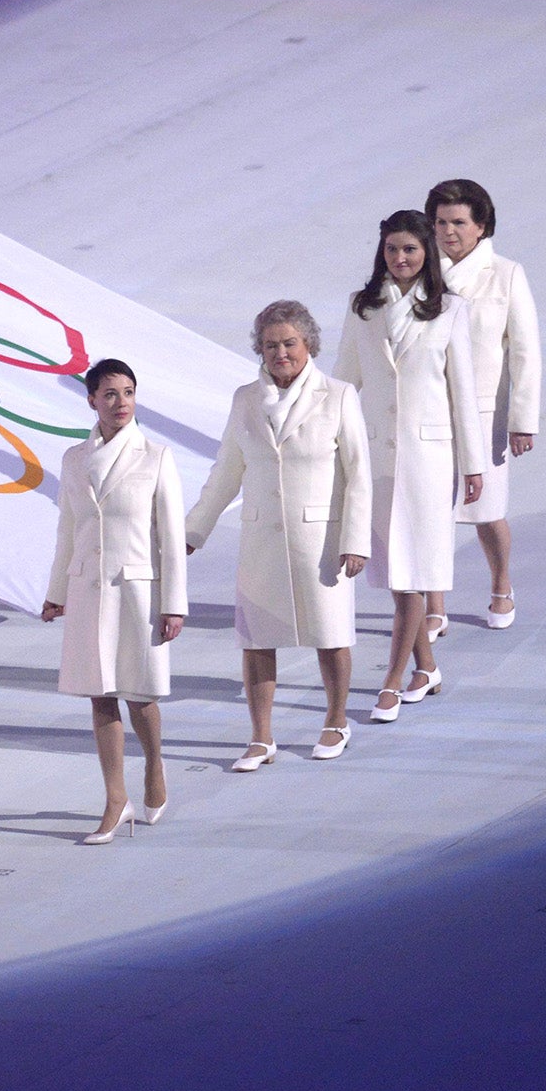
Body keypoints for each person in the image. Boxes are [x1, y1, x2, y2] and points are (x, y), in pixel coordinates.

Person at [186, 301, 370, 768]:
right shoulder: (245, 399)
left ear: (308, 343)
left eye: (289, 342)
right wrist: (193, 531)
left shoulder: (339, 394)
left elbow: (358, 475)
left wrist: (356, 540)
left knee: (329, 634)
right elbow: (227, 470)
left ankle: (335, 720)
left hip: (321, 542)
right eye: (270, 345)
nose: (280, 353)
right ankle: (261, 737)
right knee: (256, 639)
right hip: (262, 540)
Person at [333, 210, 487, 720]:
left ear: (427, 255)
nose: (400, 259)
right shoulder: (363, 307)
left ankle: (392, 681)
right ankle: (426, 667)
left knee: (414, 572)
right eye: (392, 250)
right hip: (377, 455)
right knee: (400, 569)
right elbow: (342, 381)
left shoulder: (449, 310)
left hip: (429, 459)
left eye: (411, 251)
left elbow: (462, 390)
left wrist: (473, 464)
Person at [40, 359, 187, 843]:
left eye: (127, 393)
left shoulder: (156, 457)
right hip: (88, 589)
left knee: (140, 694)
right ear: (91, 400)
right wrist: (56, 593)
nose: (120, 402)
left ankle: (155, 769)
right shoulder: (72, 459)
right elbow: (67, 530)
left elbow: (170, 537)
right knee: (100, 694)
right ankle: (115, 800)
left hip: (138, 592)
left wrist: (174, 604)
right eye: (109, 394)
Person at [426, 178, 540, 632]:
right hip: (430, 408)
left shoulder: (506, 274)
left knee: (486, 510)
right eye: (439, 222)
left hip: (483, 412)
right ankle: (433, 604)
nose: (447, 231)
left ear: (481, 226)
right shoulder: (418, 270)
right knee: (429, 508)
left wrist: (522, 420)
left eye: (458, 222)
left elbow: (525, 351)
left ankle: (500, 583)